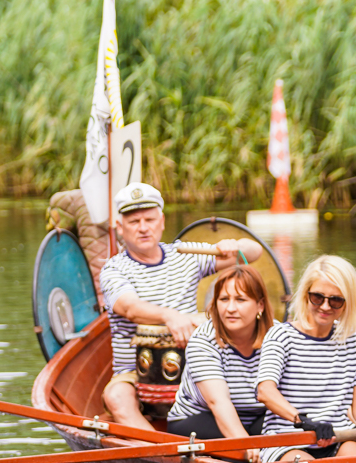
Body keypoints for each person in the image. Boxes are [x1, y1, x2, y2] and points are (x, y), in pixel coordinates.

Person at [98, 182, 262, 431]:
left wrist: (234, 245)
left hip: (195, 364)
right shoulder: (114, 269)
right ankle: (157, 454)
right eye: (134, 222)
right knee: (116, 397)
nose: (143, 228)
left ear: (161, 221)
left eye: (149, 219)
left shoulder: (184, 255)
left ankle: (246, 435)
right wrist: (169, 316)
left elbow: (254, 252)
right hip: (133, 371)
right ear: (120, 228)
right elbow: (128, 307)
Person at [255, 254, 356, 463]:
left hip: (338, 437)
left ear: (347, 303)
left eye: (335, 300)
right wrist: (303, 421)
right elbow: (265, 391)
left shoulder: (351, 340)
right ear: (305, 295)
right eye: (317, 297)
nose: (325, 306)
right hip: (289, 441)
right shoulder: (282, 335)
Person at [164, 265, 272, 441]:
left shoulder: (277, 336)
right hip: (201, 418)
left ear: (260, 305)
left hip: (256, 419)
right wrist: (246, 446)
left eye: (240, 300)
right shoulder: (203, 340)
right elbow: (218, 402)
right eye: (223, 299)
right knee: (238, 455)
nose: (230, 308)